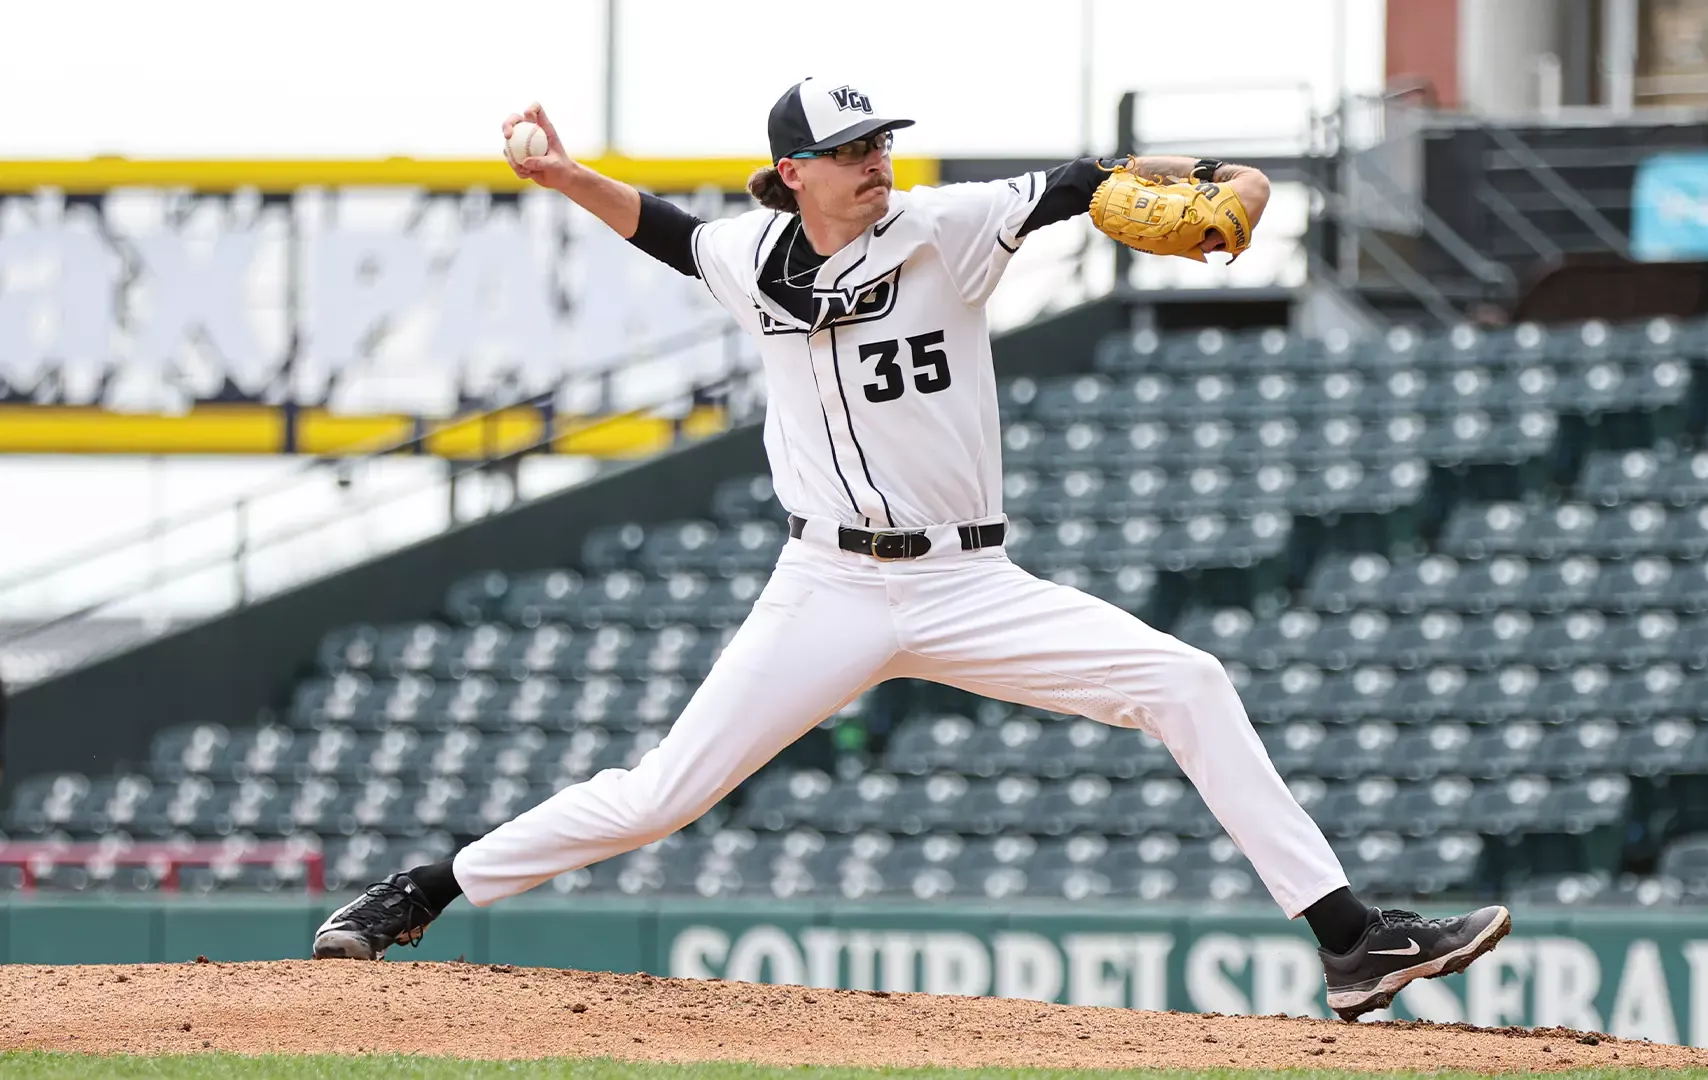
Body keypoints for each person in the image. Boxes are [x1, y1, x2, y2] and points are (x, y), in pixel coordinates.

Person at [312, 78, 1510, 1021]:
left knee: (1186, 681)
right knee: (659, 795)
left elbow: (1082, 184)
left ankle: (1355, 944)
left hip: (967, 580)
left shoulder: (946, 226)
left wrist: (1216, 179)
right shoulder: (750, 258)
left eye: (880, 142)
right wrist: (569, 174)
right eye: (850, 151)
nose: (876, 162)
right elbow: (672, 237)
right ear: (793, 174)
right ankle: (425, 888)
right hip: (825, 586)